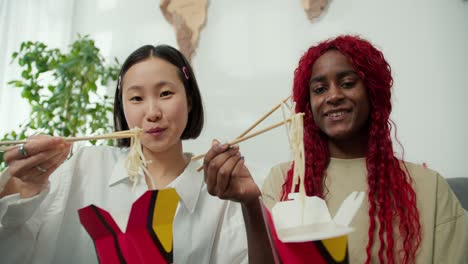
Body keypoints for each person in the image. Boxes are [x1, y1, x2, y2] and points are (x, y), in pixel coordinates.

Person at [203, 35, 468, 264]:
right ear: (309, 105)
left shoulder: (429, 187)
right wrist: (250, 204)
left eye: (348, 83)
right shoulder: (283, 181)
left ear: (373, 92)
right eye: (319, 89)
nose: (332, 96)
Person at [0, 45, 249, 263]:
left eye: (165, 94)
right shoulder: (86, 166)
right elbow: (13, 245)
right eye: (136, 98)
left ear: (190, 100)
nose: (152, 112)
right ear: (123, 107)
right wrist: (23, 185)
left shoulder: (219, 195)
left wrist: (252, 205)